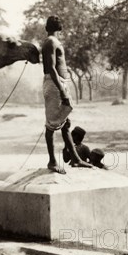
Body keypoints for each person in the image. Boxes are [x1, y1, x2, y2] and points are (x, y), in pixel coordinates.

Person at [41, 15, 93, 174]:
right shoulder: (50, 42)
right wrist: (62, 90)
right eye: (58, 21)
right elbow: (51, 68)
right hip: (55, 85)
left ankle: (76, 159)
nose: (60, 22)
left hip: (60, 84)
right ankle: (52, 161)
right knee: (51, 125)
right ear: (56, 26)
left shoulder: (53, 41)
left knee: (65, 123)